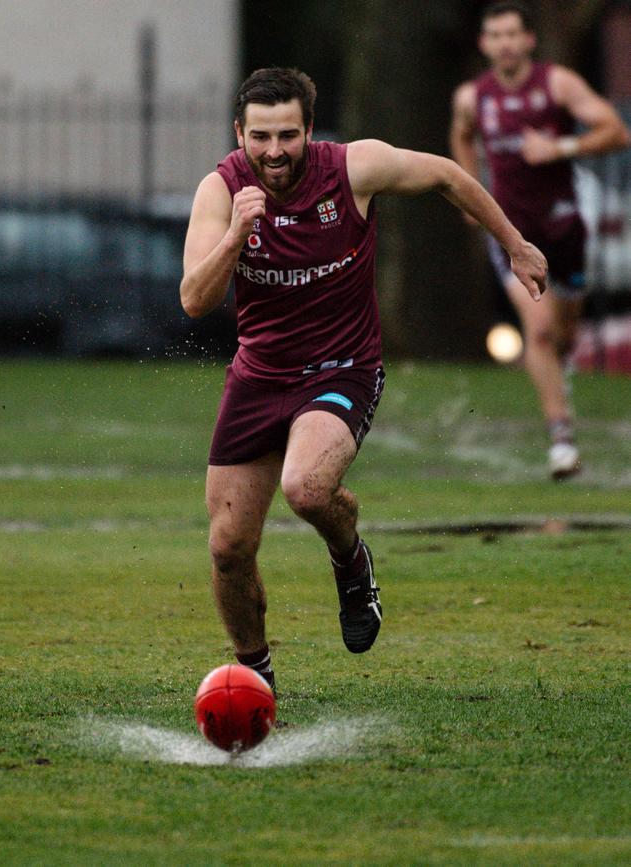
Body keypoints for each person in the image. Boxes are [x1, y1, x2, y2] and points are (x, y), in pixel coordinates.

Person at [180, 67, 547, 692]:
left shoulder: (352, 170)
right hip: (258, 377)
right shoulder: (220, 192)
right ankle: (255, 681)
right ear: (239, 132)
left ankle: (351, 564)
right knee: (228, 548)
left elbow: (447, 175)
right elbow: (194, 299)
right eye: (261, 136)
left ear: (310, 130)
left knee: (306, 488)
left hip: (341, 370)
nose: (274, 151)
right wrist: (238, 235)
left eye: (288, 135)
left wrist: (513, 244)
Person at [450, 1, 631, 480]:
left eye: (513, 34)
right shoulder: (473, 97)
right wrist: (473, 191)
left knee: (565, 330)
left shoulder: (558, 84)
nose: (505, 43)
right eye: (496, 35)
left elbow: (616, 131)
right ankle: (562, 439)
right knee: (542, 330)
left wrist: (560, 147)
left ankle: (560, 368)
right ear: (484, 44)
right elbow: (462, 137)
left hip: (565, 224)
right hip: (511, 230)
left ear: (528, 40)